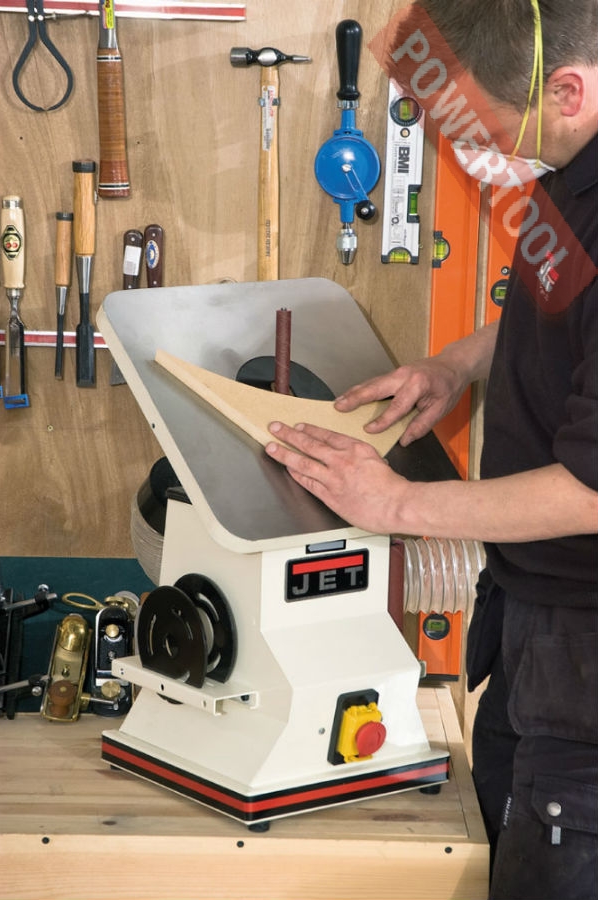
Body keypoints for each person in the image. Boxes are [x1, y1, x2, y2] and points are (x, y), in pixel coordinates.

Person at [265, 2, 598, 898]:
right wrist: (453, 365)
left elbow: (590, 490)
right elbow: (559, 310)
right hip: (530, 615)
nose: (472, 147)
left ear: (566, 92)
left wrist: (395, 503)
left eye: (484, 128)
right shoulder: (570, 174)